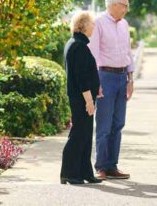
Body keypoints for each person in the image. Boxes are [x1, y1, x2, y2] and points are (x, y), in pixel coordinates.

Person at [89, 0, 134, 180]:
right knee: (104, 125)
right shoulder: (98, 22)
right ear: (114, 5)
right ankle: (100, 166)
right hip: (105, 76)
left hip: (122, 76)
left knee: (118, 123)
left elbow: (128, 52)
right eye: (124, 5)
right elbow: (93, 53)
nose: (127, 9)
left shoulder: (124, 24)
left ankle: (112, 165)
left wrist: (130, 79)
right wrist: (95, 82)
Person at [61, 10, 103, 185]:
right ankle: (69, 173)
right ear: (83, 25)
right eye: (92, 23)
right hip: (81, 99)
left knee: (85, 135)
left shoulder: (77, 44)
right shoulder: (78, 45)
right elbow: (81, 77)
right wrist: (89, 100)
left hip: (83, 97)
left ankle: (85, 172)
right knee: (79, 134)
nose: (94, 26)